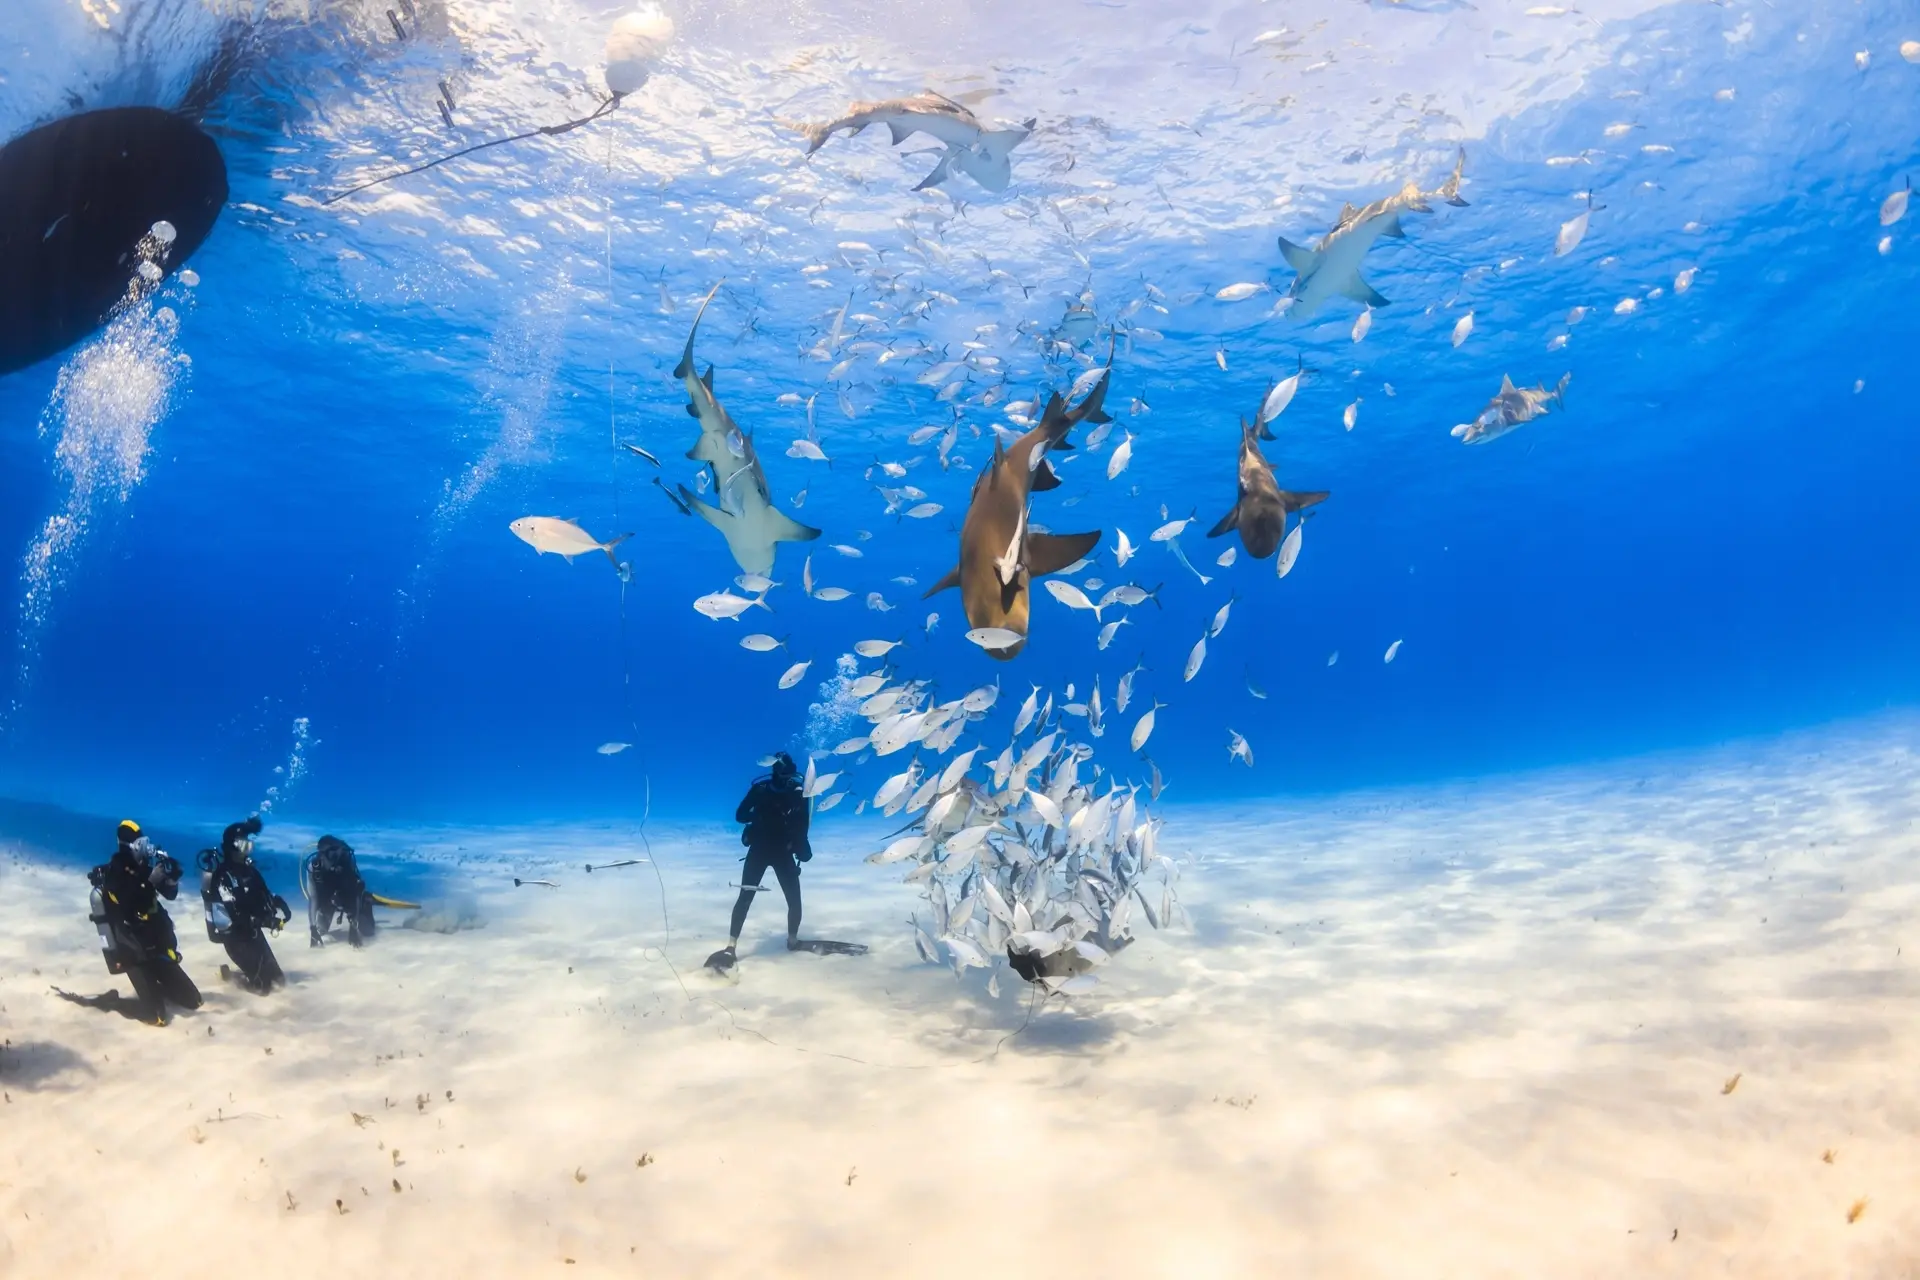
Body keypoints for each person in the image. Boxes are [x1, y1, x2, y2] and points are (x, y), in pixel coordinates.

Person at [79, 820, 202, 1025]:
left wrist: (172, 879)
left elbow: (169, 894)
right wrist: (150, 882)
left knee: (193, 1001)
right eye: (141, 844)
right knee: (156, 1017)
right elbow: (129, 907)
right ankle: (113, 1002)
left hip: (155, 947)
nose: (146, 848)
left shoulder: (143, 868)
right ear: (133, 846)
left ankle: (156, 988)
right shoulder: (116, 872)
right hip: (133, 952)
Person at [710, 753, 811, 970]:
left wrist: (759, 816)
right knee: (789, 899)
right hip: (778, 851)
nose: (787, 777)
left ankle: (731, 947)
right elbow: (802, 826)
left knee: (750, 897)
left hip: (764, 850)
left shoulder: (762, 790)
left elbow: (741, 815)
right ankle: (789, 942)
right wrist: (803, 850)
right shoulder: (795, 793)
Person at [198, 815, 291, 993]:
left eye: (248, 842)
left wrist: (279, 903)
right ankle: (230, 976)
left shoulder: (250, 871)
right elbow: (235, 914)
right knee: (262, 988)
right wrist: (265, 921)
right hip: (235, 938)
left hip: (254, 934)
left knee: (279, 982)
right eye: (243, 842)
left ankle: (243, 973)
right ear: (232, 845)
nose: (248, 846)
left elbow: (264, 893)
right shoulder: (223, 876)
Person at [304, 834, 376, 947]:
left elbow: (354, 894)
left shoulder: (346, 864)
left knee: (368, 932)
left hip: (347, 897)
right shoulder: (314, 869)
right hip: (329, 899)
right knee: (320, 931)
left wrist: (353, 927)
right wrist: (312, 928)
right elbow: (313, 899)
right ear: (321, 855)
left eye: (336, 857)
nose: (334, 864)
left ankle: (366, 901)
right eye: (330, 857)